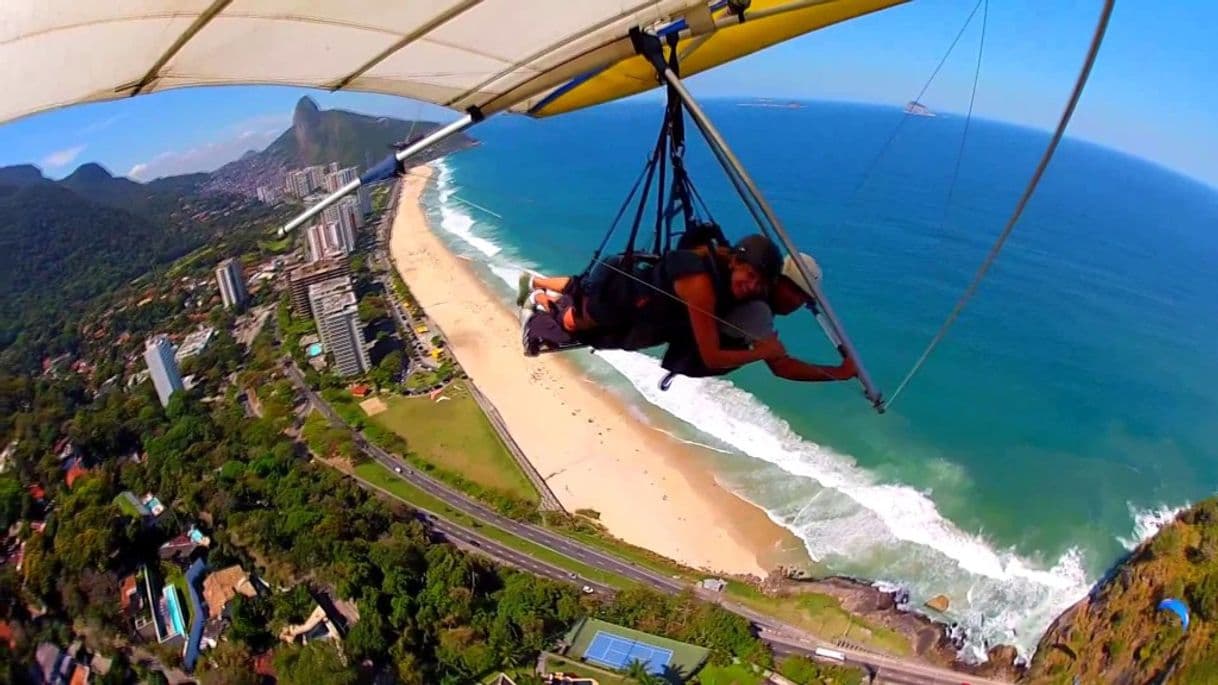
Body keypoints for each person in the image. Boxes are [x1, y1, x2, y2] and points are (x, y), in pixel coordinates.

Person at [518, 234, 857, 383]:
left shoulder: (736, 271)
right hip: (622, 297)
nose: (798, 304)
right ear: (781, 284)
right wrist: (764, 351)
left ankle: (536, 287)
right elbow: (771, 365)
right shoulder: (716, 289)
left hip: (627, 281)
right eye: (798, 295)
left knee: (579, 290)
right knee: (573, 321)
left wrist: (838, 371)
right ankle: (537, 298)